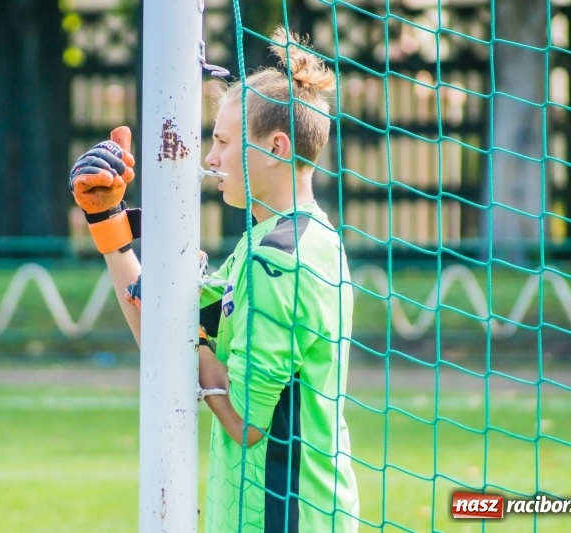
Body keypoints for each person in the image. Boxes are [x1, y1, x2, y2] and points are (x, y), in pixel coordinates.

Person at [69, 26, 358, 533]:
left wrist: (186, 326)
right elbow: (166, 340)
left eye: (222, 142)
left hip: (284, 514)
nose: (209, 158)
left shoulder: (281, 258)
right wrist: (109, 223)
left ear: (276, 147)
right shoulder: (268, 243)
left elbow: (243, 421)